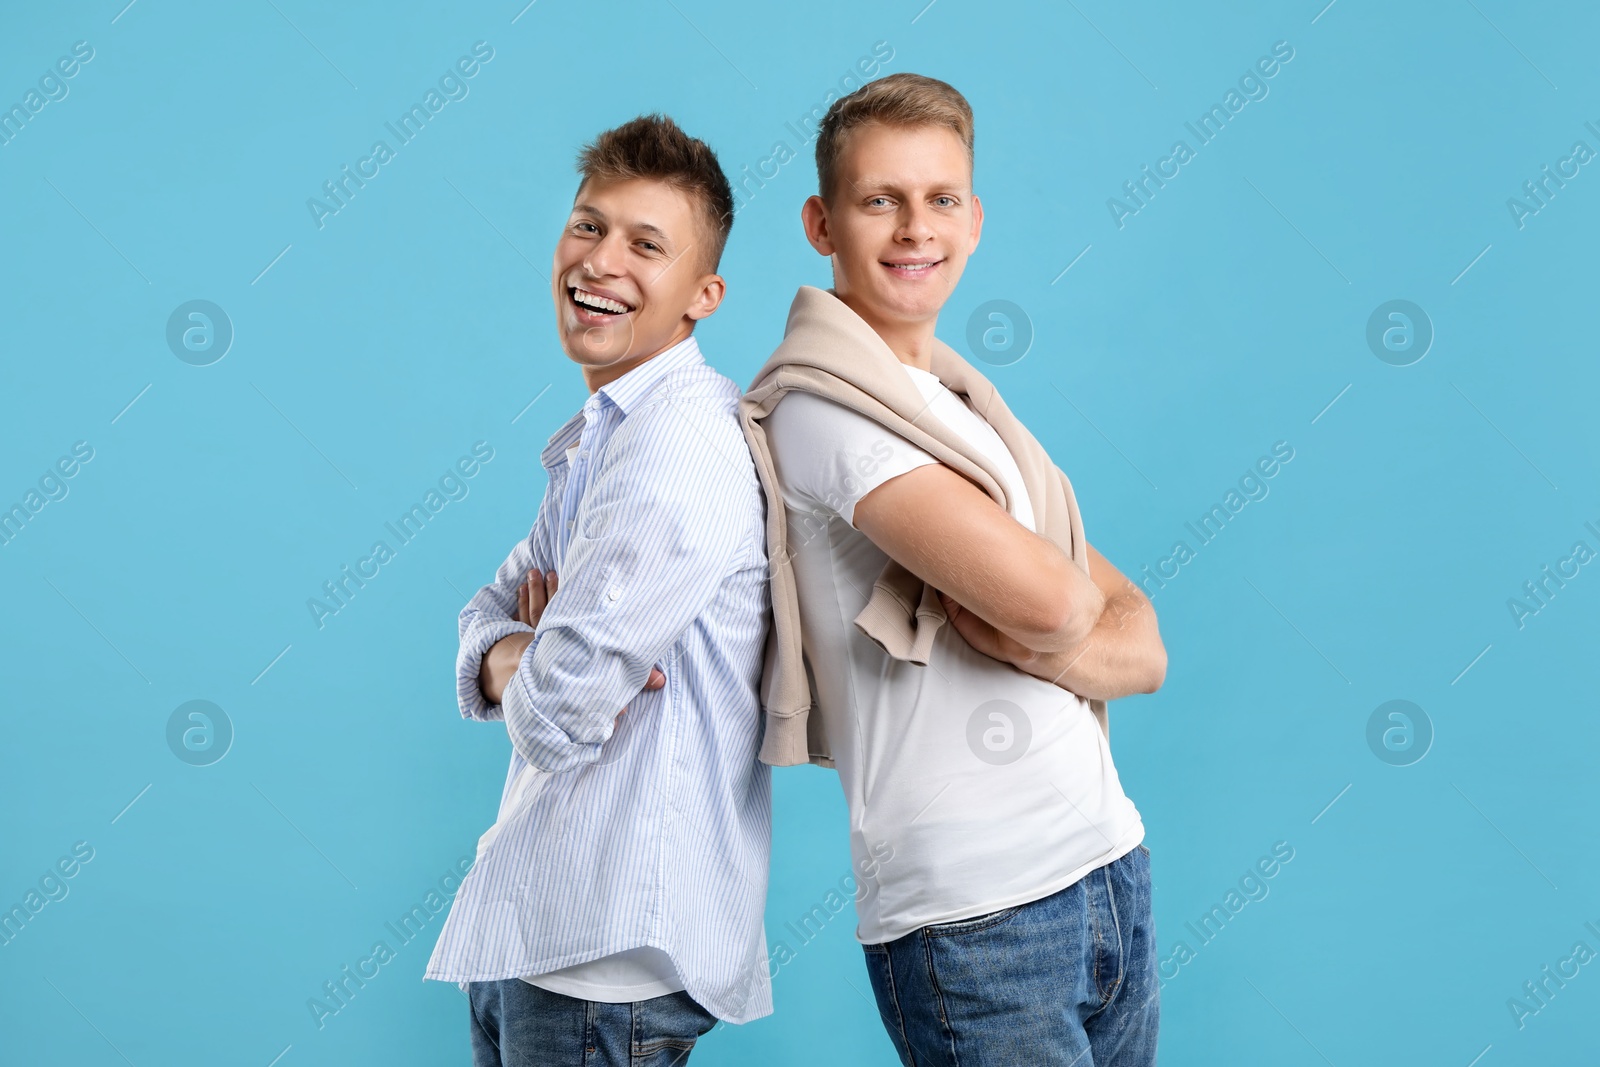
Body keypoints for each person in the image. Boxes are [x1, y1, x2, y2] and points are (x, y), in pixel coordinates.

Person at [739, 73, 1168, 1065]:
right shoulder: (825, 409)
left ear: (973, 221)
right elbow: (1058, 596)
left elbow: (1139, 635)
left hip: (1104, 862)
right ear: (820, 221)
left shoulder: (961, 407)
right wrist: (1056, 628)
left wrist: (1049, 639)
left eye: (939, 199)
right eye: (877, 198)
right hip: (977, 912)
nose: (912, 228)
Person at [424, 113, 774, 1066]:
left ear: (703, 294)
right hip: (542, 938)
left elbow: (554, 712)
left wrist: (529, 662)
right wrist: (517, 651)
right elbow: (481, 620)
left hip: (602, 967)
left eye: (645, 243)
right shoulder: (607, 433)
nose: (601, 259)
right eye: (588, 225)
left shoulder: (673, 449)